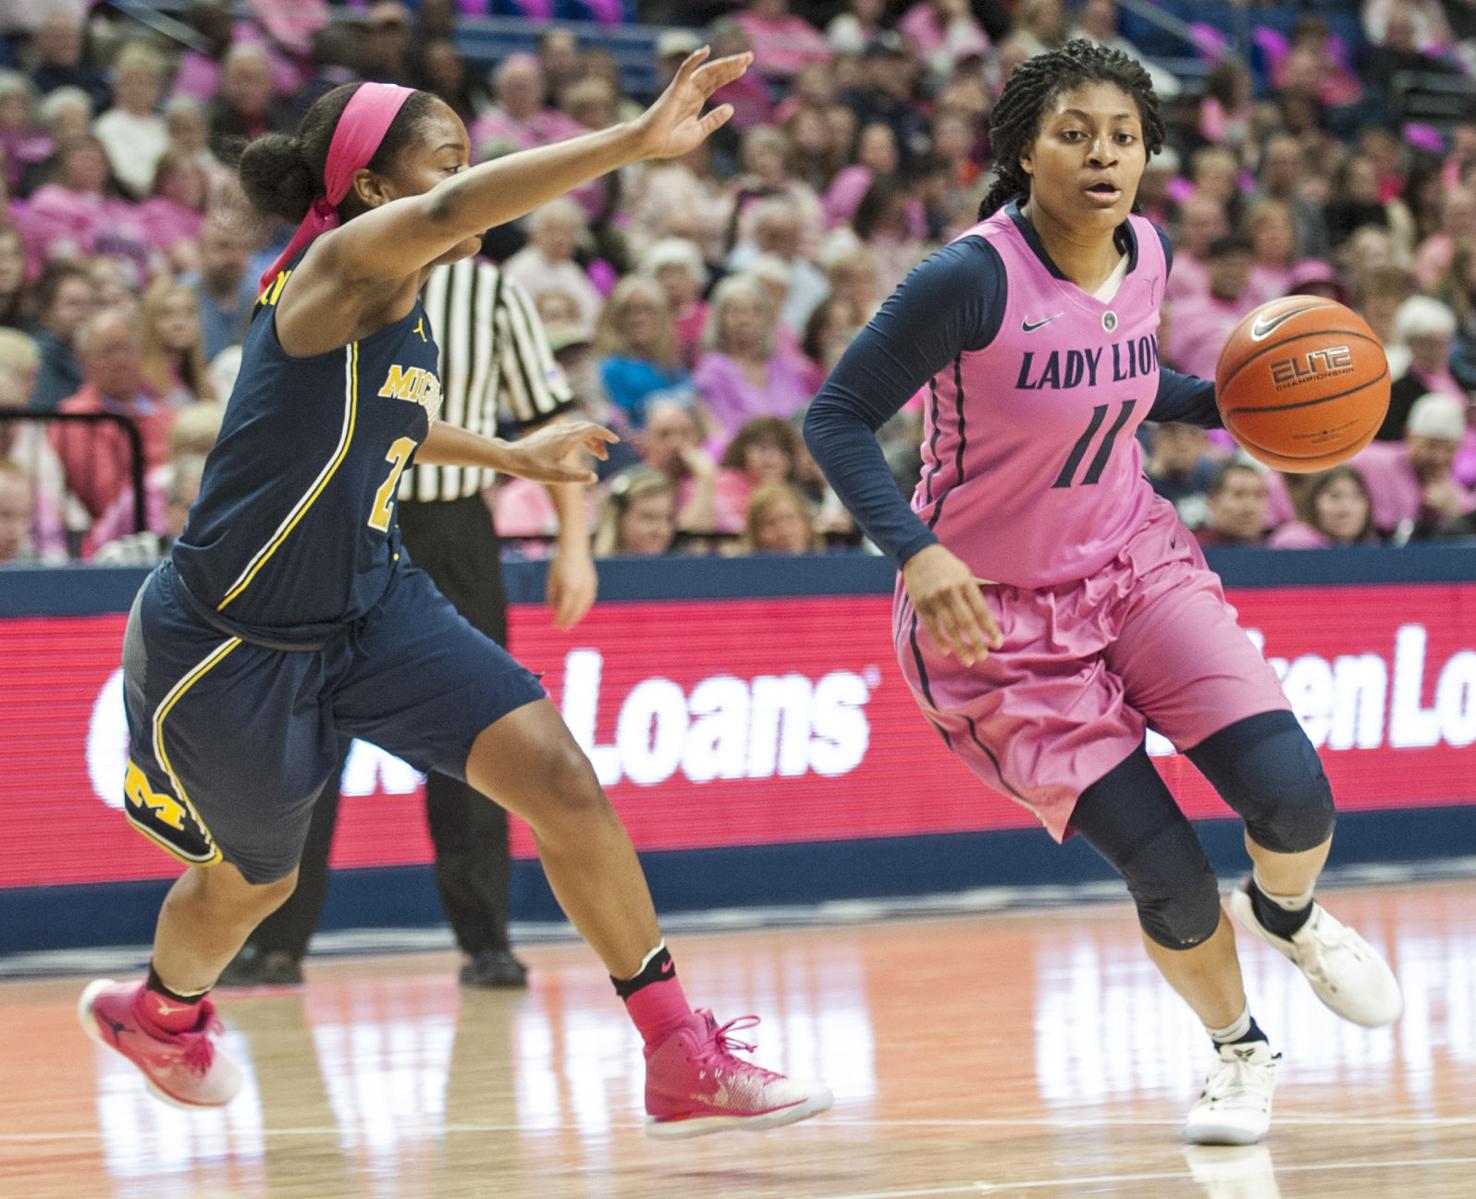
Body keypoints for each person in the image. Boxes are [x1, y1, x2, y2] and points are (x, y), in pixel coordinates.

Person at [77, 56, 832, 1137]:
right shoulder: (343, 262)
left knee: (561, 777)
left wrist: (512, 457)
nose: (465, 181)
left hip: (371, 603)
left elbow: (384, 416)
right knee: (255, 883)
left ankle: (678, 1050)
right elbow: (455, 210)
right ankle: (158, 1013)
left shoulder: (392, 298)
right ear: (376, 188)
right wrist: (632, 141)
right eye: (446, 160)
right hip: (235, 638)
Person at [803, 39, 1401, 1148]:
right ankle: (1240, 1050)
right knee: (1169, 872)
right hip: (994, 617)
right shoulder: (968, 279)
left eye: (1123, 136)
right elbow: (834, 417)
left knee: (1293, 796)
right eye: (1074, 134)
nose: (1102, 155)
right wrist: (916, 552)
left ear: (1148, 152)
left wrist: (1230, 402)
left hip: (1132, 563)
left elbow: (1122, 381)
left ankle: (1288, 912)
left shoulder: (1149, 253)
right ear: (1025, 150)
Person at [222, 252, 595, 990]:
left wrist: (575, 545)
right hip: (338, 519)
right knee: (305, 733)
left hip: (452, 528)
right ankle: (273, 941)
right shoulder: (331, 273)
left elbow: (550, 420)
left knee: (479, 735)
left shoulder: (491, 292)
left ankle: (486, 941)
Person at [1266, 466, 1376, 549]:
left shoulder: (1371, 548)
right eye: (1335, 496)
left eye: (1356, 496)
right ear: (1313, 501)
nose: (1346, 509)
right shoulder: (1294, 543)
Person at [1193, 462, 1268, 548]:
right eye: (1238, 495)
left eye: (1259, 495)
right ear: (1213, 501)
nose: (1250, 508)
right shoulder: (1193, 549)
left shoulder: (1273, 548)